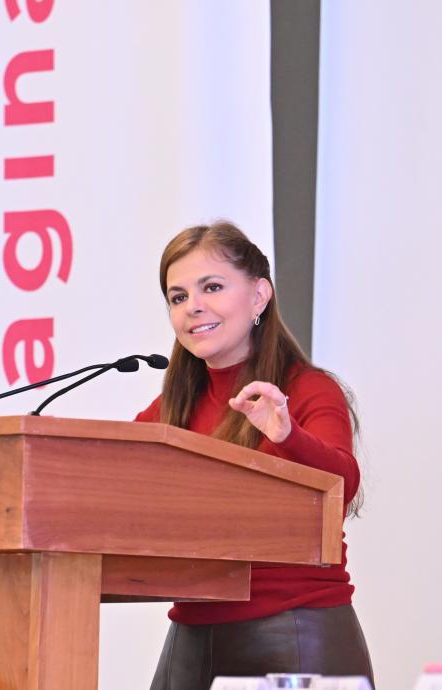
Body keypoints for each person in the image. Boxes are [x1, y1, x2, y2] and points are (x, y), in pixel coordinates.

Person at [135, 221, 374, 690]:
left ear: (259, 296)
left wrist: (287, 436)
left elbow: (343, 488)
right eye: (178, 297)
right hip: (192, 638)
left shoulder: (307, 389)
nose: (192, 306)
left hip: (294, 630)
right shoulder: (171, 408)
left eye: (212, 287)